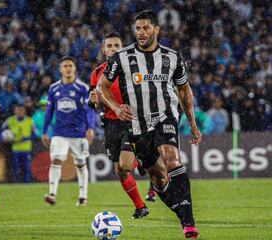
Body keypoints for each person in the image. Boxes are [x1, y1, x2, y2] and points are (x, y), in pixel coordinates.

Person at [97, 10, 202, 239]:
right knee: (158, 177)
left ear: (156, 29)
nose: (141, 33)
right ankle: (182, 212)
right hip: (137, 125)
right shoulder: (121, 58)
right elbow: (101, 88)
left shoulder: (172, 57)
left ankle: (189, 222)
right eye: (138, 29)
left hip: (165, 116)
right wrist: (116, 107)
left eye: (145, 28)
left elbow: (184, 91)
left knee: (172, 158)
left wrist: (193, 124)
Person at [88, 32, 153, 219]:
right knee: (120, 171)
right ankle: (141, 207)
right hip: (110, 125)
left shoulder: (134, 68)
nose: (113, 49)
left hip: (131, 121)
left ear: (122, 48)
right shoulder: (97, 73)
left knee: (125, 165)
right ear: (104, 49)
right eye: (109, 46)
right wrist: (93, 100)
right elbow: (95, 102)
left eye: (117, 45)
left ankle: (141, 159)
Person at [42, 56, 96, 206]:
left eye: (70, 66)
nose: (68, 68)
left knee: (80, 163)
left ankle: (83, 197)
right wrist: (45, 131)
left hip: (78, 133)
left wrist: (90, 128)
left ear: (75, 68)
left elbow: (89, 110)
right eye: (65, 66)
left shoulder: (82, 88)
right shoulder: (53, 88)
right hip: (59, 132)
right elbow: (49, 111)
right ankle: (52, 194)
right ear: (60, 69)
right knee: (56, 159)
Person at [0, 104, 35, 183]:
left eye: (21, 110)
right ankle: (16, 184)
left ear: (24, 111)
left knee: (27, 168)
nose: (20, 112)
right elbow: (1, 132)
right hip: (15, 149)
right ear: (15, 111)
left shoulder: (30, 120)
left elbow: (35, 134)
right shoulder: (10, 120)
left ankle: (27, 184)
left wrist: (26, 138)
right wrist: (3, 139)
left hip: (27, 149)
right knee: (15, 168)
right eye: (18, 110)